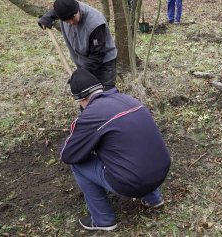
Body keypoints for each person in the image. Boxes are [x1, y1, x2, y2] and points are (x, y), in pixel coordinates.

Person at [61, 68, 171, 231]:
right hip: (161, 171)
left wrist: (85, 139)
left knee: (78, 165)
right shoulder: (128, 99)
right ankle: (154, 199)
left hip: (132, 183)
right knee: (134, 147)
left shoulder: (91, 115)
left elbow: (68, 154)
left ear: (82, 98)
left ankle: (103, 220)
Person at [37, 0, 117, 90]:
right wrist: (47, 17)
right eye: (66, 20)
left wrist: (80, 75)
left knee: (106, 94)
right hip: (83, 61)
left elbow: (96, 56)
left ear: (77, 9)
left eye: (72, 18)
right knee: (87, 93)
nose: (71, 22)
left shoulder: (95, 23)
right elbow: (57, 10)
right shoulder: (67, 9)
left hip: (104, 64)